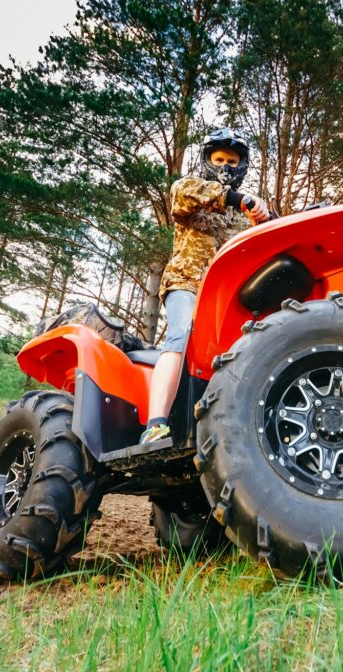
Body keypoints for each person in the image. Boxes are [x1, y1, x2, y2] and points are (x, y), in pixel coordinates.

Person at [140, 128, 270, 444]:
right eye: (219, 159)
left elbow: (263, 242)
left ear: (241, 166)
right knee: (180, 334)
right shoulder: (189, 191)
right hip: (186, 283)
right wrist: (244, 199)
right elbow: (184, 194)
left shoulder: (242, 216)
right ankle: (156, 423)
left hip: (224, 298)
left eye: (232, 160)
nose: (225, 165)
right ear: (209, 161)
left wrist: (264, 215)